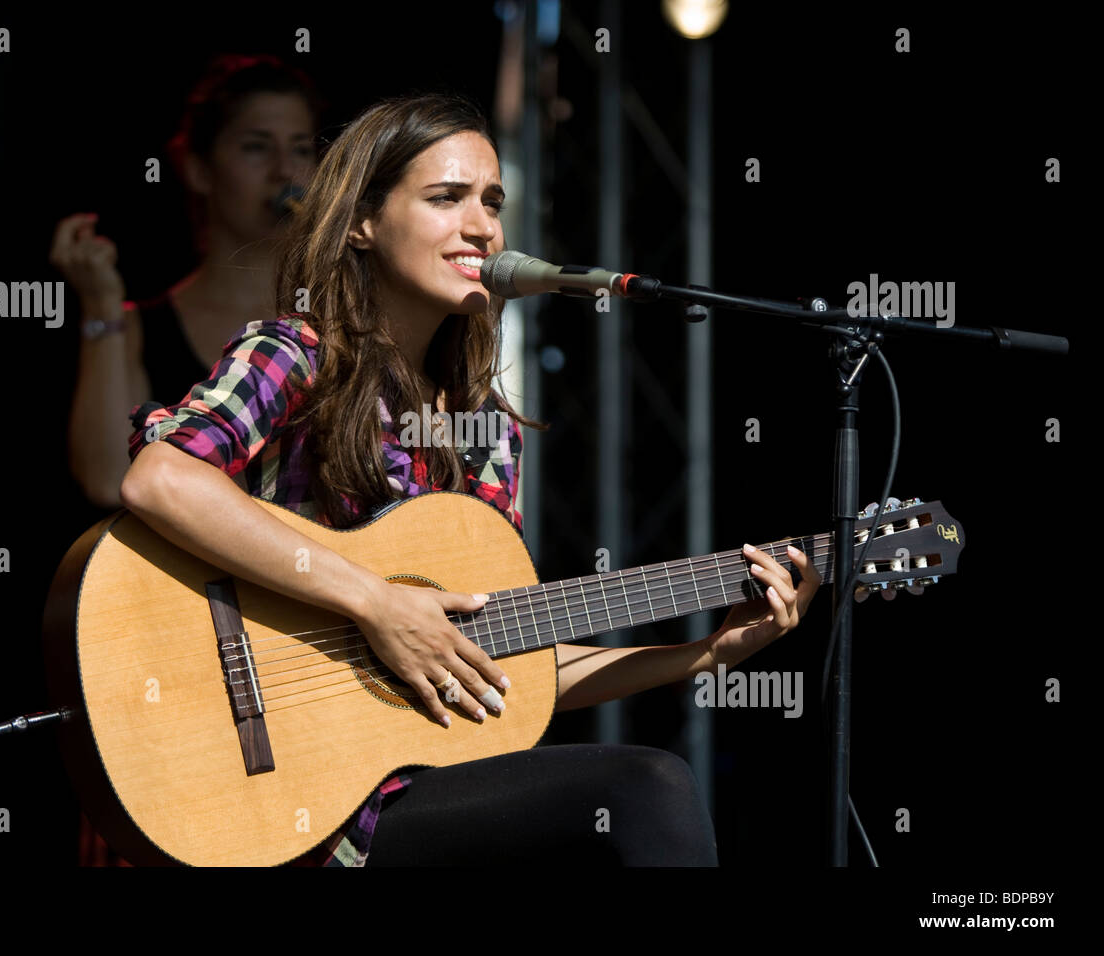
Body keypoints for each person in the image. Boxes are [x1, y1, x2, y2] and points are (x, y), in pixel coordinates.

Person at [117, 92, 822, 866]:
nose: (482, 226)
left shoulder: (483, 426)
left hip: (418, 786)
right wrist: (375, 601)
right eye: (445, 197)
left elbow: (503, 657)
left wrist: (702, 656)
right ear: (361, 221)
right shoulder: (295, 355)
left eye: (492, 201)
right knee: (645, 786)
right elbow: (161, 481)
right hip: (298, 796)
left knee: (631, 801)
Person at [50, 55, 321, 511]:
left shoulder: (341, 316)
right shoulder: (140, 328)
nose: (284, 172)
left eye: (300, 149)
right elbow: (108, 479)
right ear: (197, 169)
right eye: (257, 147)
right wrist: (100, 307)